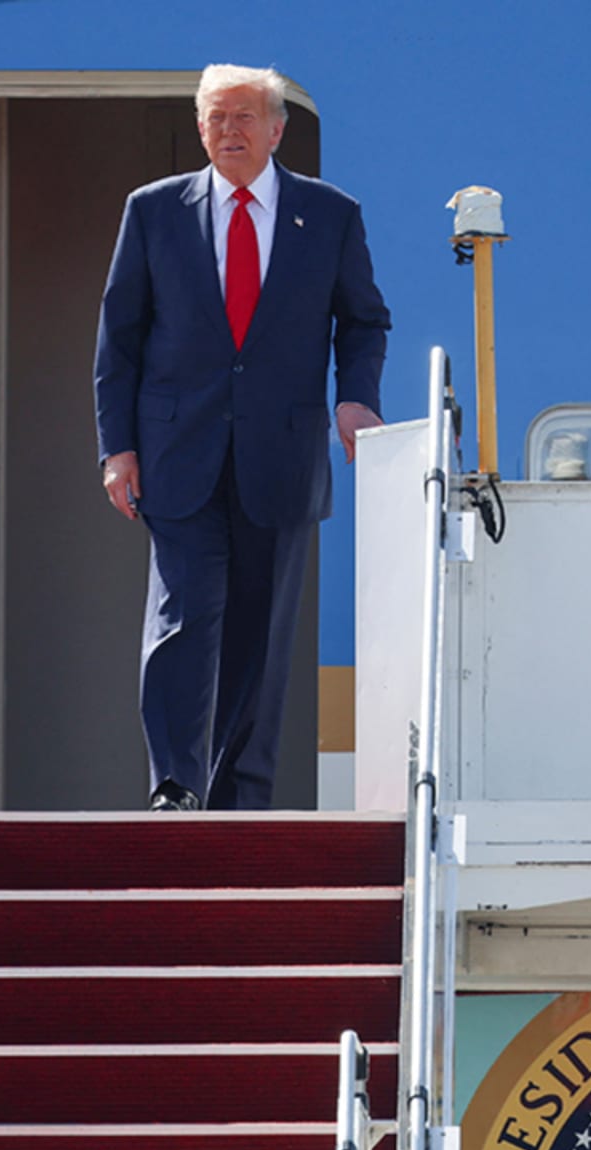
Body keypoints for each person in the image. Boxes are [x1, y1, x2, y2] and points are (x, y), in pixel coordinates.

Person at [95, 63, 390, 811]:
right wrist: (116, 447)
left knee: (259, 637)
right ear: (201, 130)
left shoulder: (330, 214)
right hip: (177, 453)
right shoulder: (153, 211)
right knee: (182, 619)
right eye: (216, 119)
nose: (229, 131)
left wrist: (356, 399)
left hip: (281, 457)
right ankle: (174, 785)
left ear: (277, 130)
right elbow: (119, 337)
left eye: (244, 117)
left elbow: (363, 321)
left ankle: (239, 800)